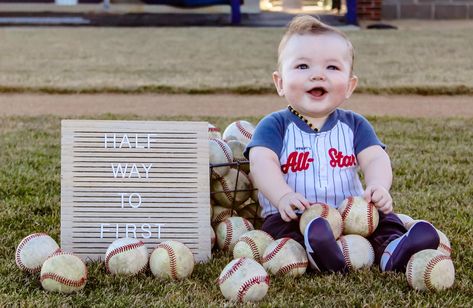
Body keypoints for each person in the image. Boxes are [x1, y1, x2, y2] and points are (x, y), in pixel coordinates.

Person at [244, 15, 439, 273]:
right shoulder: (275, 125)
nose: (317, 75)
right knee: (282, 234)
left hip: (353, 214)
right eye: (302, 66)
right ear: (280, 83)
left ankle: (395, 250)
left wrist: (379, 186)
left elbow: (375, 158)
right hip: (296, 214)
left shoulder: (355, 124)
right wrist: (283, 196)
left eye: (332, 68)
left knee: (385, 221)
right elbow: (261, 162)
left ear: (349, 86)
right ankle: (320, 251)